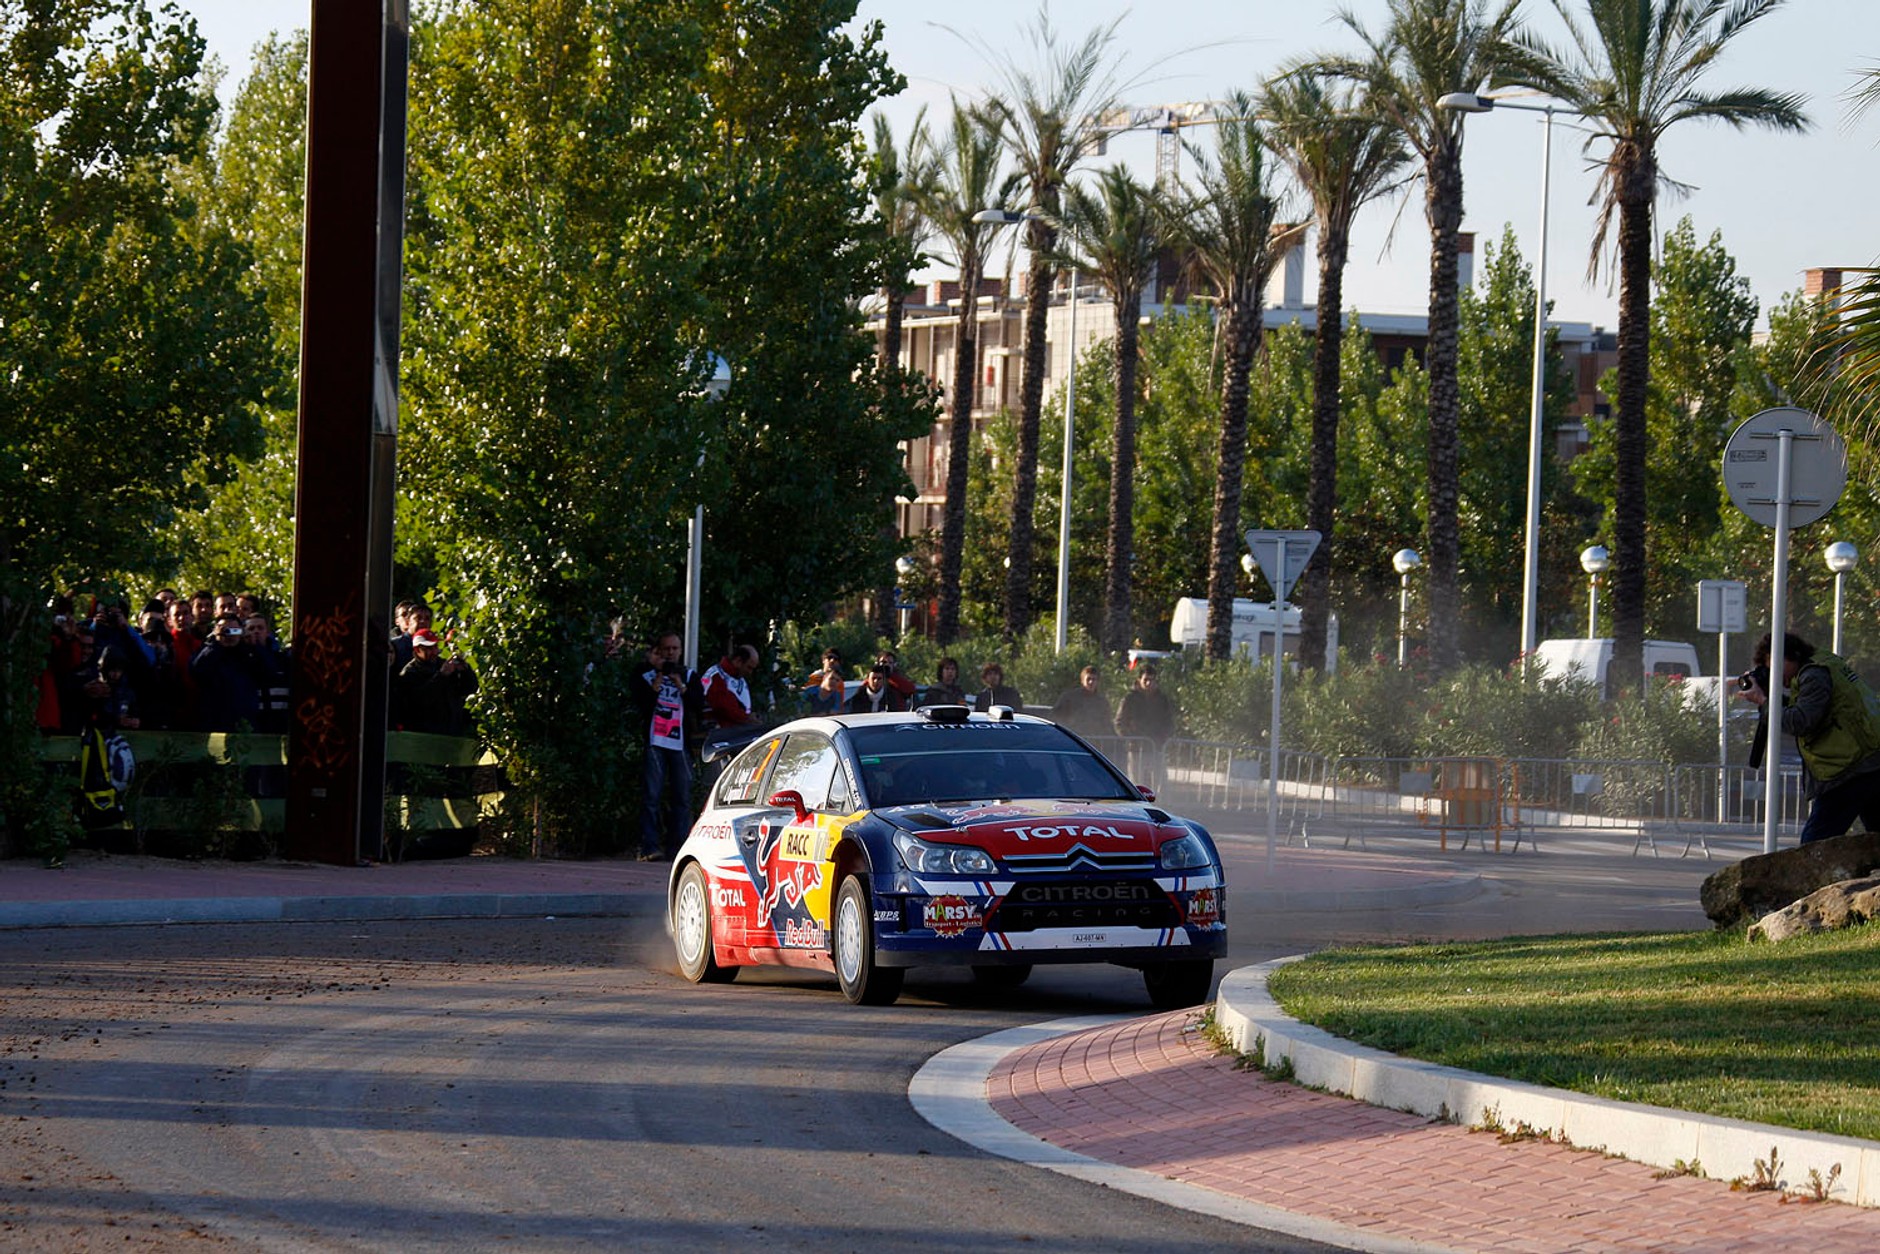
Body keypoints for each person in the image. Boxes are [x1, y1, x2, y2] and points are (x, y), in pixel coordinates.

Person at [1741, 631, 1880, 845]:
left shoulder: (1813, 675)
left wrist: (1763, 701)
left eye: (1778, 665)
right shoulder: (1822, 664)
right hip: (1867, 762)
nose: (1775, 673)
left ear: (1794, 655)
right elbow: (1812, 712)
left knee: (1814, 844)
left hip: (1849, 768)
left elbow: (1801, 721)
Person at [628, 631, 704, 860]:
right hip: (655, 741)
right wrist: (657, 682)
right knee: (652, 794)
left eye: (674, 649)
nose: (671, 654)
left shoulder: (689, 675)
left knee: (682, 795)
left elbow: (699, 704)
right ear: (659, 651)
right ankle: (649, 846)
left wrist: (681, 685)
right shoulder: (645, 675)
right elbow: (640, 704)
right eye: (666, 649)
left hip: (680, 742)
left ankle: (677, 847)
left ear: (680, 651)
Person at [392, 628, 478, 736]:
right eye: (428, 648)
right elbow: (419, 702)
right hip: (424, 735)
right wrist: (441, 676)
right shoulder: (410, 673)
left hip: (451, 731)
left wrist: (465, 670)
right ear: (417, 650)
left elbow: (469, 689)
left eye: (435, 647)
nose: (434, 652)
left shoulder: (444, 665)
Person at [1116, 664, 1177, 789]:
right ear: (1139, 680)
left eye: (1151, 680)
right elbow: (1119, 722)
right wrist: (1131, 738)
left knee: (1159, 783)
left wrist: (1163, 738)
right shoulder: (1130, 699)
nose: (1148, 683)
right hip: (1136, 749)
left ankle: (1159, 805)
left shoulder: (1162, 699)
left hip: (1156, 747)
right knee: (1136, 783)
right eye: (1146, 680)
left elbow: (1169, 722)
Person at [701, 644, 759, 732]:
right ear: (739, 661)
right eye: (749, 667)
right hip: (718, 734)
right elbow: (723, 707)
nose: (750, 672)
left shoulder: (739, 678)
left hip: (736, 733)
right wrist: (747, 718)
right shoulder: (715, 676)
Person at [1051, 665, 1115, 738]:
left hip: (1096, 742)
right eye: (1088, 679)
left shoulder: (1102, 701)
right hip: (1074, 739)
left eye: (1094, 679)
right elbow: (1055, 716)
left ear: (1097, 682)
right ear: (1082, 680)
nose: (1091, 682)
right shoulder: (1069, 698)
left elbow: (1107, 724)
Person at [804, 649, 847, 715]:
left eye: (836, 659)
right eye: (829, 657)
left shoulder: (839, 683)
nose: (832, 661)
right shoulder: (811, 679)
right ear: (823, 660)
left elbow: (838, 707)